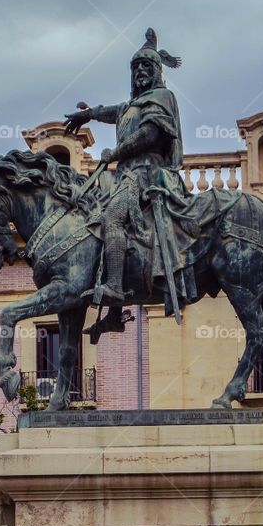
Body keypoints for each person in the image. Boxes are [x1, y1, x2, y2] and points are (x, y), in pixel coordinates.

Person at [64, 29, 209, 315]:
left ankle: (116, 287)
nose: (140, 70)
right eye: (136, 67)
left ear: (157, 71)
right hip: (126, 176)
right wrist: (90, 113)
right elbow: (113, 111)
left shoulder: (161, 97)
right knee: (91, 220)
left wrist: (116, 153)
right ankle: (114, 315)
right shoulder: (132, 104)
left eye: (146, 66)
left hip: (147, 174)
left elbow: (150, 134)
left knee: (111, 219)